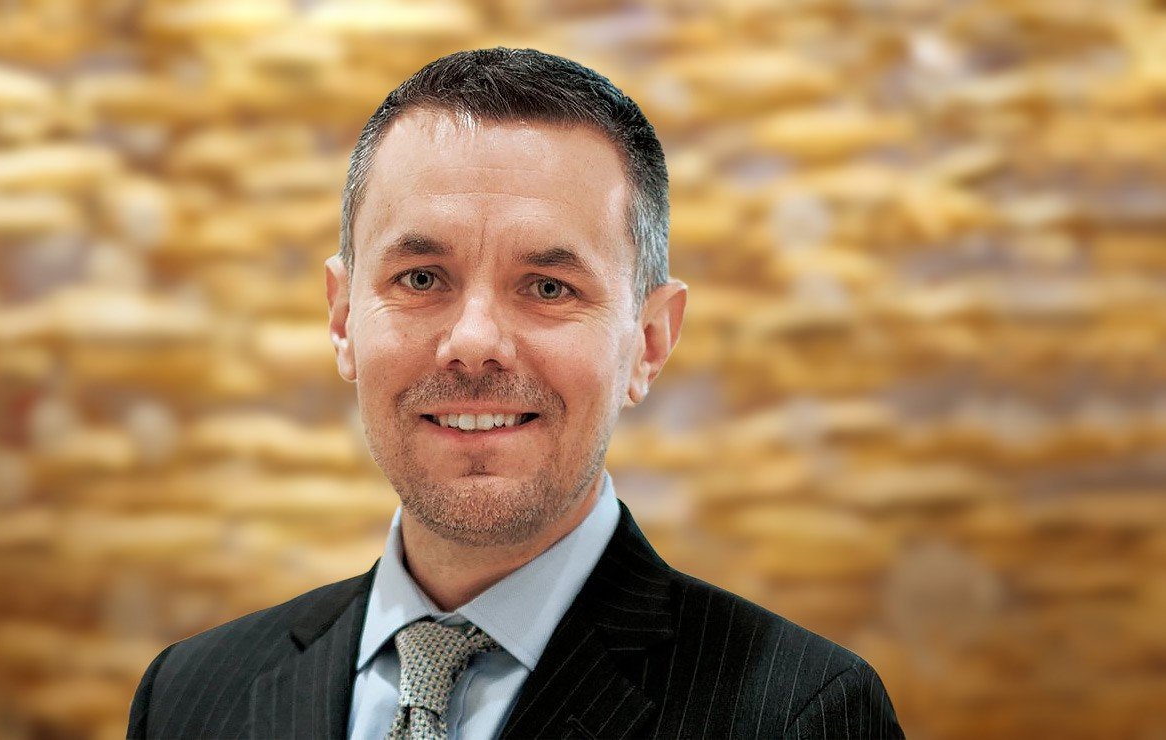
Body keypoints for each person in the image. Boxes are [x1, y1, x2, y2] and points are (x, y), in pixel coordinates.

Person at [127, 47, 904, 739]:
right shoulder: (189, 699)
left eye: (548, 286)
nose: (473, 341)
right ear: (342, 319)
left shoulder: (801, 714)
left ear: (649, 340)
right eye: (421, 278)